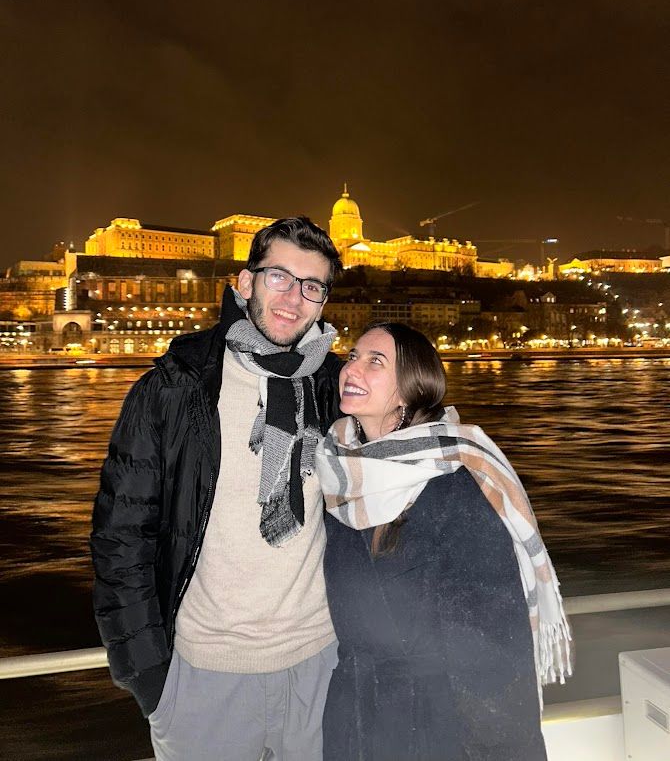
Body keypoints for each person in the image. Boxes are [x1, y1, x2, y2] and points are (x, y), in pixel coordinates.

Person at [91, 216, 344, 761]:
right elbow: (121, 542)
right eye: (278, 277)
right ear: (244, 282)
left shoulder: (335, 385)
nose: (293, 299)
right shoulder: (173, 389)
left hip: (322, 667)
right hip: (203, 678)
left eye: (312, 286)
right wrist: (152, 682)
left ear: (323, 300)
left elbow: (409, 448)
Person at [315, 322, 571, 761]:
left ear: (410, 389)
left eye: (376, 361)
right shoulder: (339, 475)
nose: (352, 368)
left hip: (437, 727)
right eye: (353, 356)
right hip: (352, 719)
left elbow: (492, 648)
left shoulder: (456, 486)